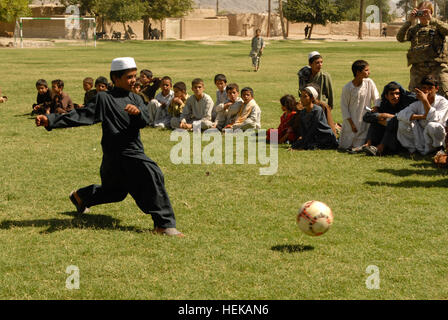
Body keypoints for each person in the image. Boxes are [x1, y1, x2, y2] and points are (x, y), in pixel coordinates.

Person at [34, 57, 184, 237]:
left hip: (130, 150)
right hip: (119, 153)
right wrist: (50, 120)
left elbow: (144, 120)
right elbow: (81, 115)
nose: (134, 80)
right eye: (129, 77)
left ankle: (81, 196)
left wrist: (137, 114)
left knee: (116, 192)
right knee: (153, 173)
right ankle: (164, 225)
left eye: (135, 76)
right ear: (115, 78)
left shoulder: (136, 98)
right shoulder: (104, 99)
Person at [396, 1, 448, 98]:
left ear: (430, 12)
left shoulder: (437, 26)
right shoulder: (414, 29)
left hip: (437, 68)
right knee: (414, 97)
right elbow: (400, 38)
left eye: (425, 12)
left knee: (445, 95)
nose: (422, 15)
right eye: (420, 12)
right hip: (418, 70)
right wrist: (409, 21)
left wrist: (432, 19)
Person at [397, 76, 448, 155]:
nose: (427, 91)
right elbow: (400, 114)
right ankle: (414, 150)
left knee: (433, 126)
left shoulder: (443, 102)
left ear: (437, 89)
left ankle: (438, 149)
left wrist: (425, 101)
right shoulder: (418, 103)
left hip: (438, 135)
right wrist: (422, 116)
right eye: (424, 88)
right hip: (422, 135)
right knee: (402, 123)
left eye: (430, 88)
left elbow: (435, 119)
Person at [362, 82, 417, 156]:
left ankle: (381, 148)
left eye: (397, 93)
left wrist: (387, 116)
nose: (395, 96)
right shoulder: (384, 105)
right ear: (386, 96)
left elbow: (401, 117)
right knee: (375, 120)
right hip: (383, 134)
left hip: (397, 138)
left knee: (392, 122)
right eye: (392, 94)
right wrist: (380, 115)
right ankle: (368, 144)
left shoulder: (404, 104)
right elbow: (366, 117)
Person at [339, 60, 380, 152]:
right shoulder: (347, 88)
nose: (369, 72)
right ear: (358, 72)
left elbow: (376, 97)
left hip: (365, 119)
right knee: (346, 144)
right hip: (351, 120)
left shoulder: (369, 82)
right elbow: (344, 107)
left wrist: (376, 107)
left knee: (361, 140)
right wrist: (352, 124)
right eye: (366, 70)